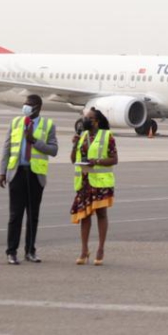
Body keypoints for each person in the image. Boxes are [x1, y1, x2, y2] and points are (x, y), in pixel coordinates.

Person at [0, 94, 58, 265]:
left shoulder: (48, 125)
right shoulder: (15, 122)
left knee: (33, 215)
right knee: (15, 215)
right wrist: (2, 172)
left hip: (35, 175)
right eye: (25, 104)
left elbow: (53, 150)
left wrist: (35, 141)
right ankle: (11, 252)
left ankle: (30, 251)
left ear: (38, 107)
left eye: (29, 104)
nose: (25, 107)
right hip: (16, 173)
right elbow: (7, 148)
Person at [70, 107, 118, 265]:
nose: (85, 120)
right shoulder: (82, 136)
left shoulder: (107, 136)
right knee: (84, 216)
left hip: (100, 181)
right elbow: (73, 159)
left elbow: (114, 159)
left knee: (101, 214)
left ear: (96, 121)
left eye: (89, 118)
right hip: (84, 181)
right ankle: (84, 250)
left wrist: (96, 162)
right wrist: (74, 145)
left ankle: (100, 248)